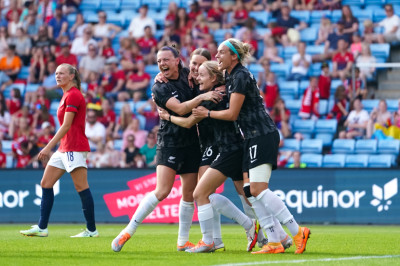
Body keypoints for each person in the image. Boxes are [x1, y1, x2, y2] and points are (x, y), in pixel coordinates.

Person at [192, 38, 310, 254]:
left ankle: (296, 230)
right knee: (250, 191)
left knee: (256, 189)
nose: (216, 56)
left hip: (261, 134)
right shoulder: (232, 76)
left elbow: (232, 114)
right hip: (250, 137)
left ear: (234, 56)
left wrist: (207, 113)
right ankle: (274, 241)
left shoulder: (239, 75)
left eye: (220, 52)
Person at [111, 45, 221, 253]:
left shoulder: (190, 75)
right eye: (159, 61)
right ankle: (127, 231)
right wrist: (201, 98)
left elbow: (211, 77)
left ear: (177, 60)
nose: (162, 64)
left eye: (166, 60)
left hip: (191, 143)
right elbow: (180, 108)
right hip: (169, 141)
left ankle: (182, 241)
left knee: (189, 194)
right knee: (162, 191)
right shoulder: (159, 87)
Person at [20, 63, 98, 238]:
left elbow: (67, 125)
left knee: (81, 187)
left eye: (61, 73)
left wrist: (48, 147)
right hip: (64, 147)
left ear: (72, 76)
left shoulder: (74, 95)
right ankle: (42, 228)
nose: (57, 76)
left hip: (74, 147)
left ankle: (92, 230)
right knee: (46, 183)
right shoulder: (66, 95)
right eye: (56, 73)